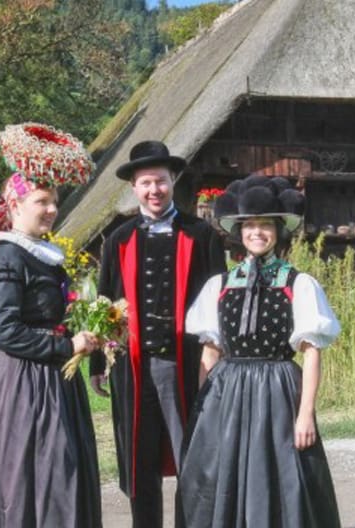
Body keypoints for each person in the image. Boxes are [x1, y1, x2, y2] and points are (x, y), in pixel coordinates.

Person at [0, 123, 101, 528]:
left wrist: (86, 328)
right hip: (20, 385)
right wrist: (66, 347)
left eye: (53, 201)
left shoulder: (43, 255)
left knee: (58, 474)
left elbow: (48, 315)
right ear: (15, 206)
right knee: (27, 477)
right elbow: (4, 331)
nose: (51, 209)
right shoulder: (6, 258)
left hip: (52, 382)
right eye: (41, 201)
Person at [180, 175, 343, 527]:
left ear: (278, 230)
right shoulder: (218, 286)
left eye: (265, 225)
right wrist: (201, 408)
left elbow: (312, 351)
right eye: (250, 225)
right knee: (223, 472)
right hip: (227, 393)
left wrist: (305, 415)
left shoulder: (297, 283)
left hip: (278, 391)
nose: (257, 232)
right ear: (239, 231)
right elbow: (210, 353)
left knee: (280, 475)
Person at [90, 140, 226, 527]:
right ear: (134, 187)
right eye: (146, 183)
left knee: (192, 455)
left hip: (185, 365)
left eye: (161, 182)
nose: (154, 190)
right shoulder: (118, 240)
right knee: (139, 459)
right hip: (132, 369)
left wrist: (216, 359)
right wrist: (98, 364)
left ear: (173, 181)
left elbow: (220, 301)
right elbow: (104, 303)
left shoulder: (202, 235)